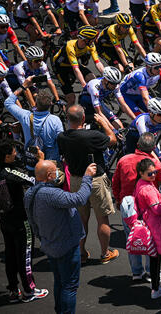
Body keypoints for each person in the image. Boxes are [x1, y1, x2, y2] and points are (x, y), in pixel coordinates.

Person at [25, 159, 97, 314]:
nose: (58, 171)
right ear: (50, 176)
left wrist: (42, 238)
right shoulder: (51, 194)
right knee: (70, 286)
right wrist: (87, 177)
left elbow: (31, 219)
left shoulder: (31, 192)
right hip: (66, 245)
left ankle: (60, 310)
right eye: (55, 170)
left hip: (50, 243)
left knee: (59, 282)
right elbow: (79, 199)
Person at [57, 104, 118, 265]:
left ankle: (81, 253)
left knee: (81, 218)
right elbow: (112, 140)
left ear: (68, 119)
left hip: (76, 180)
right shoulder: (92, 136)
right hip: (96, 180)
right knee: (102, 218)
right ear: (83, 118)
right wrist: (104, 123)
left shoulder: (62, 137)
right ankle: (105, 253)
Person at [0, 138, 48, 303]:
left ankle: (13, 290)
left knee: (10, 255)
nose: (16, 152)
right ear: (7, 156)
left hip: (5, 219)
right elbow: (35, 179)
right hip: (21, 220)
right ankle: (29, 290)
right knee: (25, 255)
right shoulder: (10, 172)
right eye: (14, 151)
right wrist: (41, 161)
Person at [111, 133, 161, 282]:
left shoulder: (123, 160)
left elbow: (115, 182)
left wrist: (118, 200)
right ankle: (151, 271)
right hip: (148, 207)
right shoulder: (152, 163)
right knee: (151, 238)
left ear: (137, 144)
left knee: (132, 238)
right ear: (153, 148)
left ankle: (137, 272)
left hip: (128, 207)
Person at [133, 158, 161, 299]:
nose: (154, 175)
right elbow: (157, 209)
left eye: (155, 172)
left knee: (154, 255)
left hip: (147, 221)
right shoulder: (148, 188)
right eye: (150, 173)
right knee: (156, 256)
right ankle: (155, 289)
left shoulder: (141, 183)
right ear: (141, 173)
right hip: (153, 224)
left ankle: (156, 281)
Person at [5, 80, 63, 161]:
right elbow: (60, 140)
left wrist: (23, 86)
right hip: (51, 162)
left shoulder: (25, 116)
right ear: (50, 104)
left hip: (32, 161)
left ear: (35, 104)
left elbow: (8, 103)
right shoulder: (55, 120)